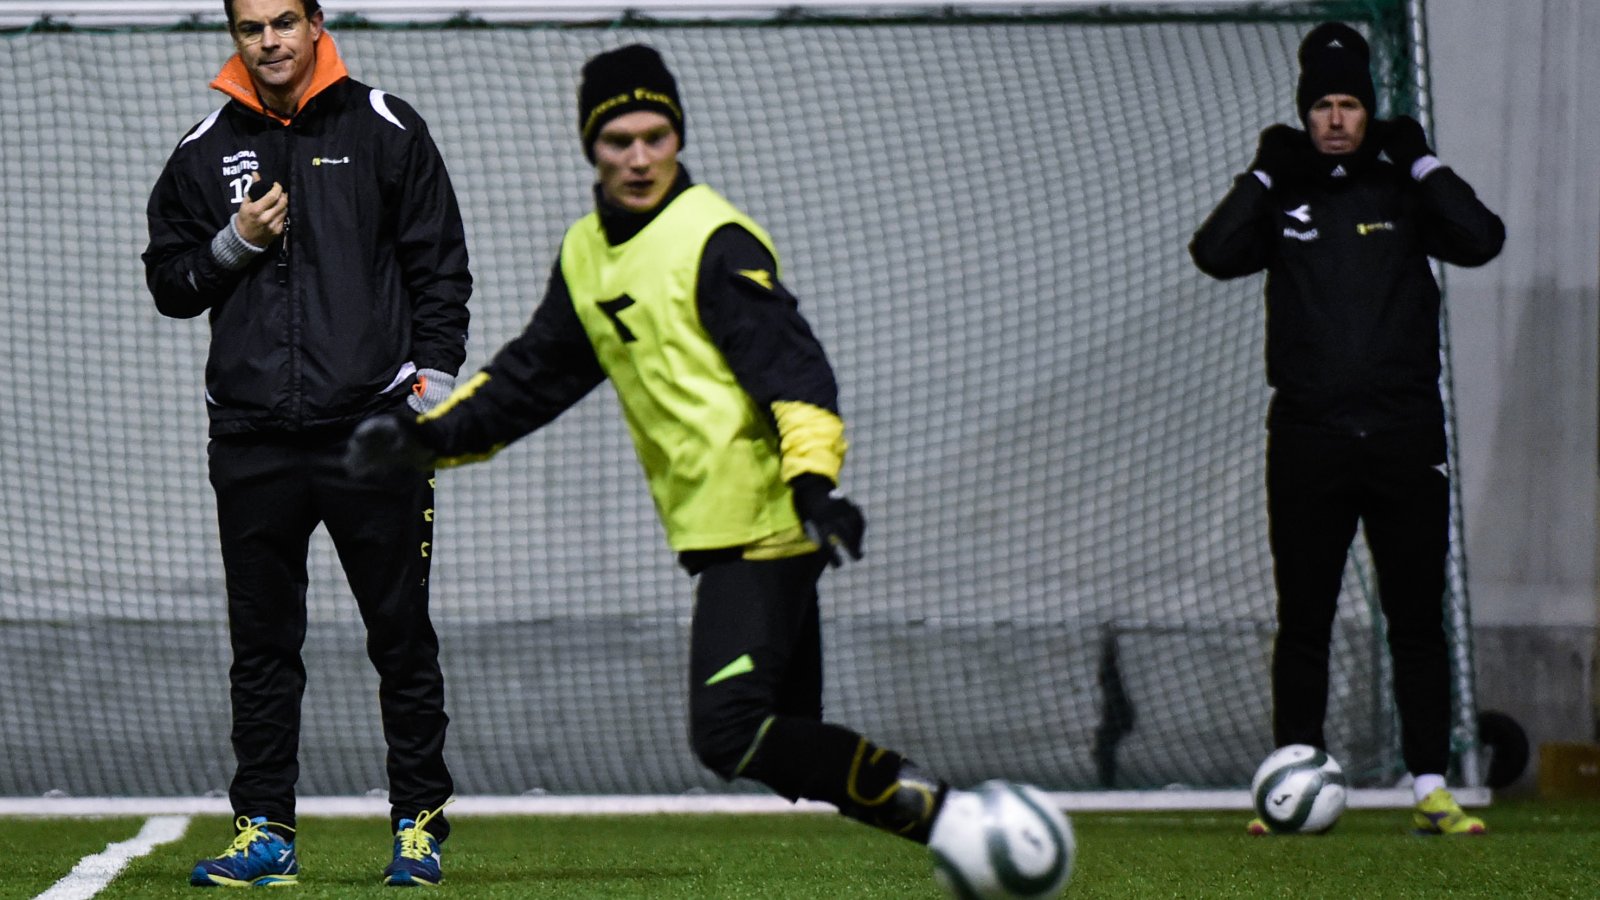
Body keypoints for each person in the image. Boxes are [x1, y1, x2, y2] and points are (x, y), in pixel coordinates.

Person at [345, 43, 957, 847]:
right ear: (590, 147)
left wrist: (815, 484)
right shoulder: (588, 253)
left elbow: (794, 374)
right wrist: (421, 438)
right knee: (782, 739)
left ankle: (952, 819)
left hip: (767, 523)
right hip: (715, 531)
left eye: (655, 137)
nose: (638, 159)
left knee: (729, 729)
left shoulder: (716, 240)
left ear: (679, 137)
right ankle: (947, 818)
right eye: (618, 140)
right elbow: (527, 381)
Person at [143, 0, 468, 886]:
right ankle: (266, 836)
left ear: (317, 23)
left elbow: (441, 265)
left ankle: (418, 826)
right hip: (251, 439)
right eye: (252, 28)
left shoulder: (387, 127)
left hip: (373, 433)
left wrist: (430, 389)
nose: (270, 41)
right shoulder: (201, 149)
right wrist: (234, 244)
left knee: (400, 637)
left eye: (284, 21)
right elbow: (169, 283)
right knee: (262, 648)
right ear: (234, 36)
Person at [1189, 22, 1504, 835]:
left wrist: (1424, 161)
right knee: (1305, 619)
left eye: (1350, 105)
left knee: (1415, 620)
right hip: (1309, 441)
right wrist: (1262, 172)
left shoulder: (1404, 193)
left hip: (1404, 441)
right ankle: (1291, 783)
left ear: (1370, 112)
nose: (1336, 119)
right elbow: (1213, 253)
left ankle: (1430, 788)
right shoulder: (1284, 195)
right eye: (1323, 105)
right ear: (1305, 114)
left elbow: (1481, 239)